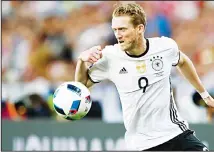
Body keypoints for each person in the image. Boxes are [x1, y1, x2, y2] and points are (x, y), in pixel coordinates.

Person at [75, 2, 214, 151]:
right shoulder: (110, 56)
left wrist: (204, 93)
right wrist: (82, 61)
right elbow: (81, 87)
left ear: (139, 28)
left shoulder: (164, 47)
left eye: (122, 29)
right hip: (143, 144)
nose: (118, 35)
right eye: (115, 30)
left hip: (176, 133)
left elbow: (183, 61)